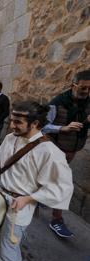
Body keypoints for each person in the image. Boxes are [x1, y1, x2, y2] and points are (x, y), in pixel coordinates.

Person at [0, 101, 73, 261]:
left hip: (19, 206)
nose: (12, 125)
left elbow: (61, 187)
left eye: (18, 122)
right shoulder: (11, 138)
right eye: (12, 120)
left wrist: (30, 198)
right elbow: (2, 160)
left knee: (8, 251)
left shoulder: (49, 152)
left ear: (34, 123)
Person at [43, 69, 90, 238]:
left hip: (71, 151)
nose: (87, 92)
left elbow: (82, 126)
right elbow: (42, 126)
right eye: (84, 88)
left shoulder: (88, 103)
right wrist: (63, 128)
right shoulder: (57, 103)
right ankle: (57, 219)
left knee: (50, 179)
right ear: (73, 85)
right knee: (63, 184)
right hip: (54, 148)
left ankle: (36, 199)